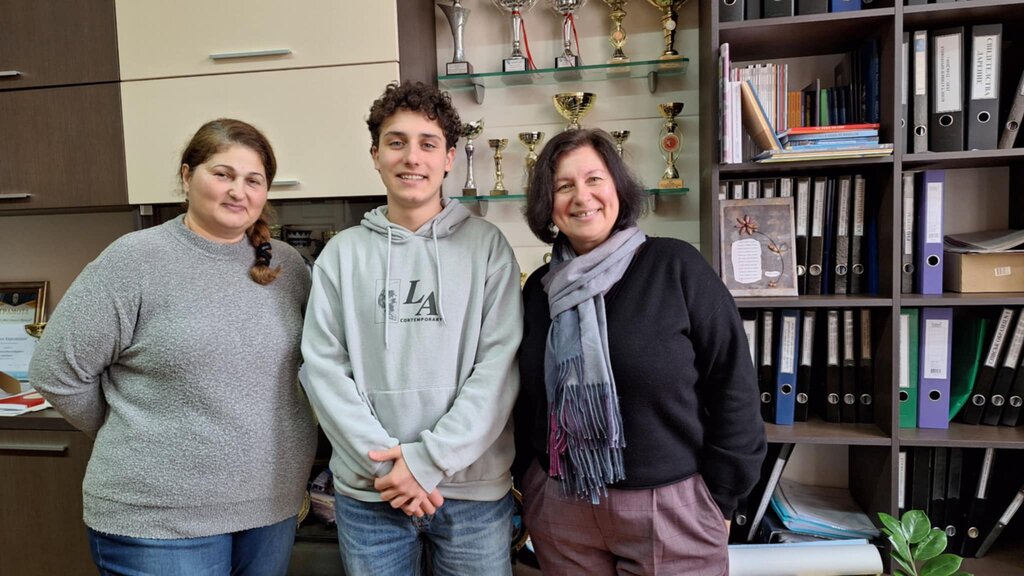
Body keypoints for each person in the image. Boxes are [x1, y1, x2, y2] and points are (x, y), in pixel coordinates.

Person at [28, 119, 316, 575]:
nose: (237, 191)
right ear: (186, 176)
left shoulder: (288, 267)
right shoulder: (133, 260)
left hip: (270, 509)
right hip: (159, 519)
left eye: (253, 180)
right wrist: (132, 429)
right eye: (222, 174)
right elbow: (56, 371)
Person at [513, 128, 767, 575]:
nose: (582, 197)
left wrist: (721, 498)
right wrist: (528, 479)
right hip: (561, 506)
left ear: (618, 187)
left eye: (594, 179)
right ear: (547, 204)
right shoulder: (538, 289)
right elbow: (525, 397)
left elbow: (735, 387)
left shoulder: (676, 266)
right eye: (564, 186)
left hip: (670, 508)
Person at [300, 81, 523, 575]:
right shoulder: (341, 255)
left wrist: (426, 462)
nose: (411, 158)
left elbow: (498, 369)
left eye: (428, 143)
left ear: (449, 159)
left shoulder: (488, 248)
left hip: (472, 495)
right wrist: (392, 470)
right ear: (375, 155)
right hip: (372, 494)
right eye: (396, 142)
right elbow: (323, 371)